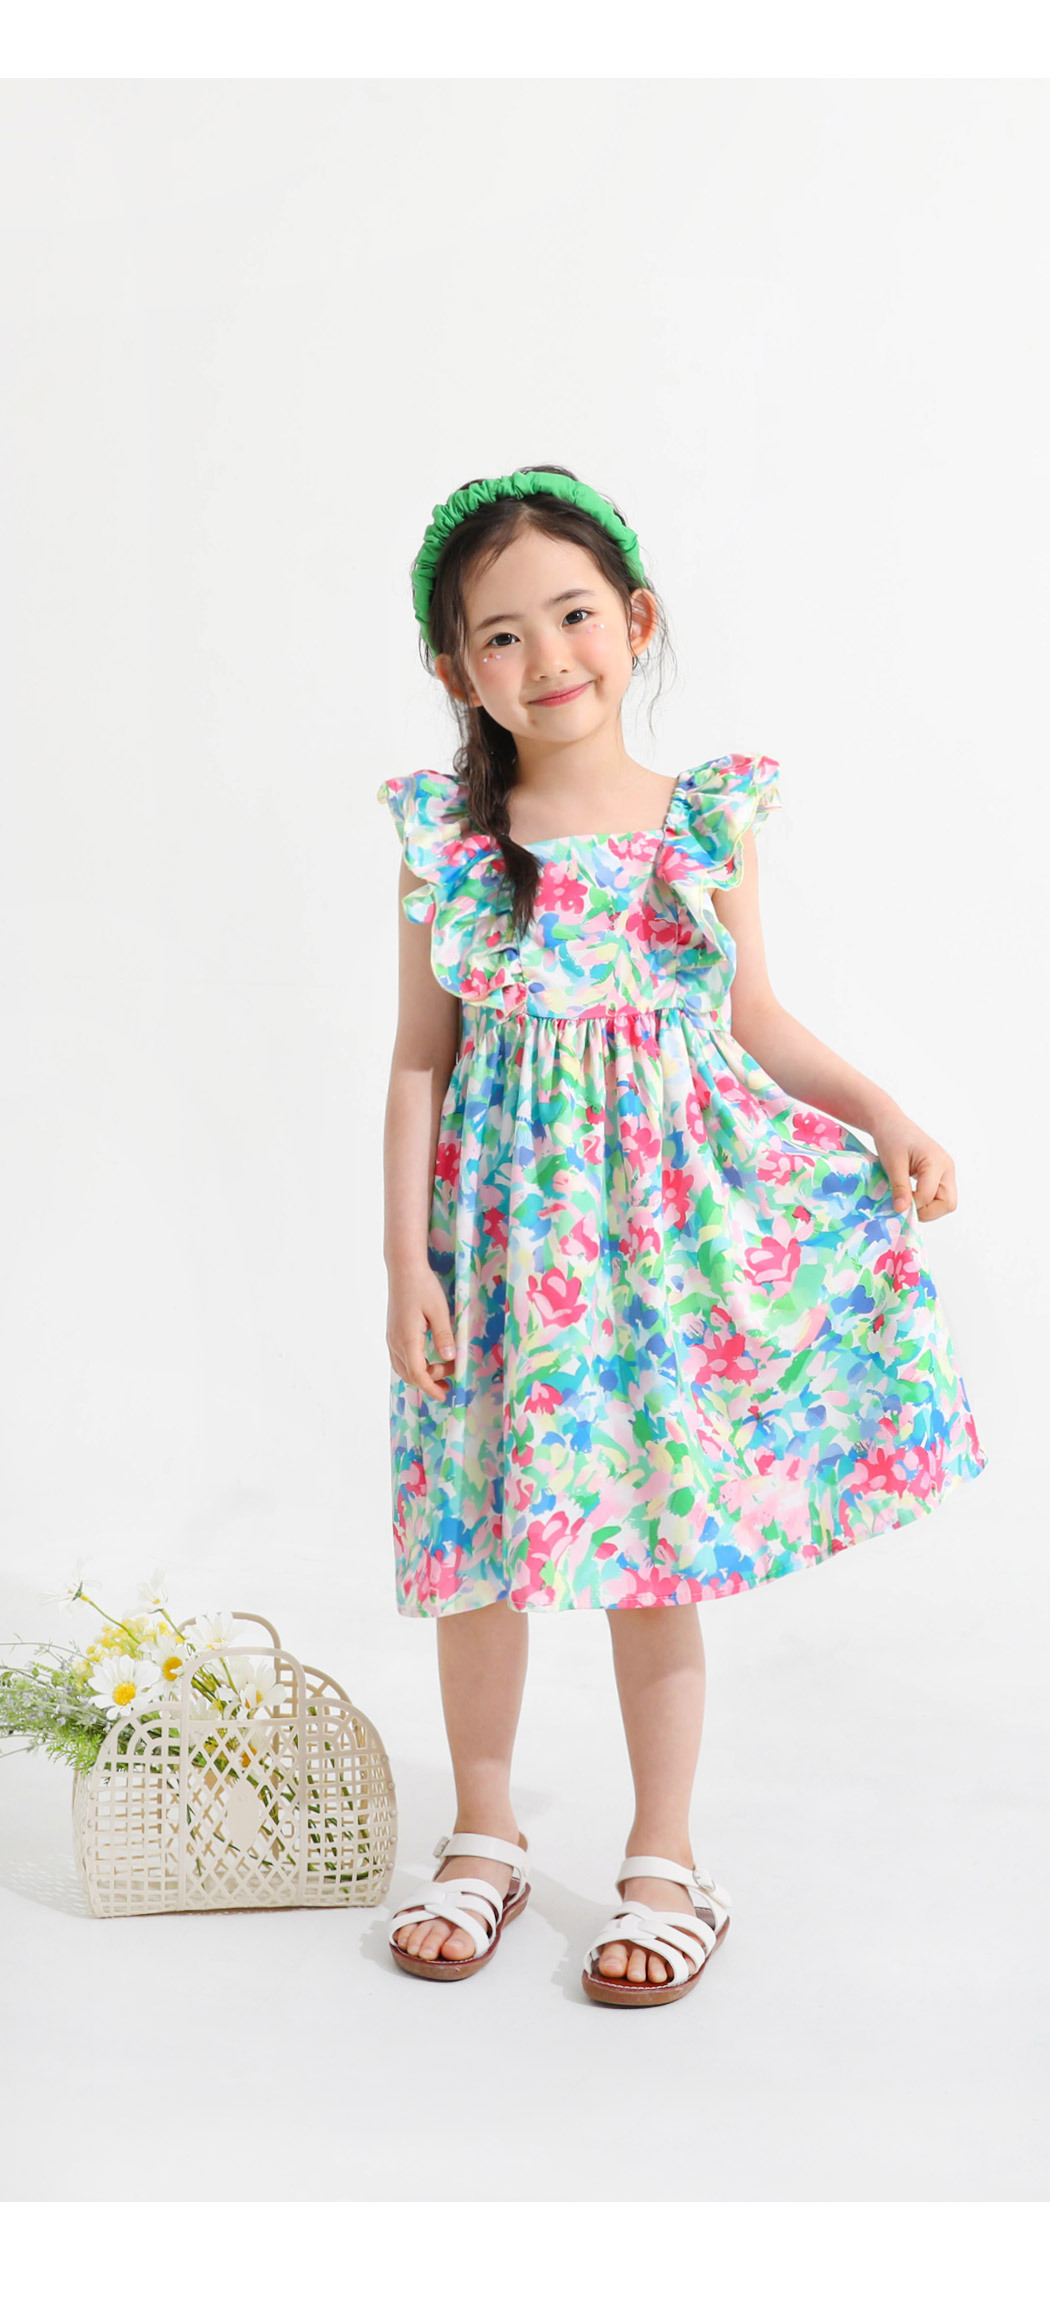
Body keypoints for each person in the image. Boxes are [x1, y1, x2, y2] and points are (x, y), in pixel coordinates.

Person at [376, 465, 988, 2009]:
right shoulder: (449, 849)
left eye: (573, 613)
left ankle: (664, 1857)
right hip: (496, 1261)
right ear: (456, 669)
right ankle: (484, 1831)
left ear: (636, 621)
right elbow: (418, 1061)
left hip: (655, 1259)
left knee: (652, 1543)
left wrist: (880, 1112)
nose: (546, 655)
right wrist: (403, 1264)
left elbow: (754, 1018)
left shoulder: (698, 828)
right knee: (475, 1542)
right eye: (499, 634)